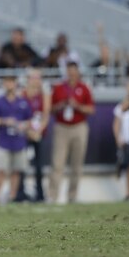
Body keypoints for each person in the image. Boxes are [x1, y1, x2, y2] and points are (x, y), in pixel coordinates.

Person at [48, 62, 95, 203]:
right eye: (69, 72)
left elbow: (91, 109)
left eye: (74, 72)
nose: (71, 75)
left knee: (77, 164)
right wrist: (61, 105)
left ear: (77, 72)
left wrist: (77, 106)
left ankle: (72, 195)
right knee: (57, 163)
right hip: (62, 127)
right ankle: (52, 195)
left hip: (79, 126)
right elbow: (50, 109)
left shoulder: (83, 88)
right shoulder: (59, 88)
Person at [0, 75, 32, 204]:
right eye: (7, 82)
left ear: (15, 84)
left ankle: (12, 196)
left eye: (11, 82)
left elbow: (30, 120)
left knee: (16, 170)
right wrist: (4, 121)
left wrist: (23, 125)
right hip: (4, 141)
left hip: (19, 141)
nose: (9, 85)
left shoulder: (22, 102)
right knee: (1, 170)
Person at [16, 69, 51, 202]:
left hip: (39, 133)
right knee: (21, 164)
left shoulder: (44, 94)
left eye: (38, 77)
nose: (36, 80)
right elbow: (19, 114)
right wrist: (28, 131)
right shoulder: (22, 94)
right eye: (33, 77)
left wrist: (38, 131)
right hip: (25, 133)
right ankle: (21, 192)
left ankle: (40, 193)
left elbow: (46, 114)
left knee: (39, 165)